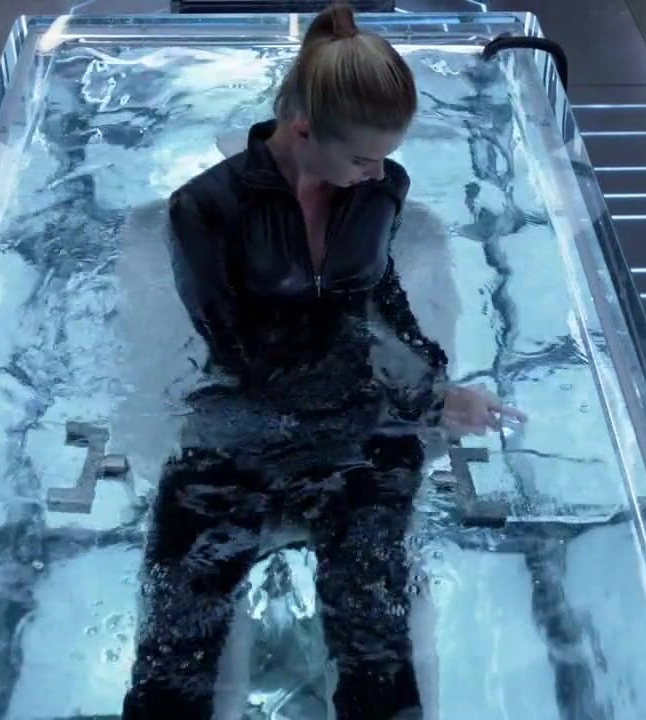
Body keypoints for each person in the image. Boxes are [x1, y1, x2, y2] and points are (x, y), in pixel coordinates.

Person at [121, 5, 524, 719]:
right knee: (178, 629)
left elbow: (381, 294)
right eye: (362, 159)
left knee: (375, 625)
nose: (378, 173)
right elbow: (240, 351)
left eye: (384, 158)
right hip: (244, 420)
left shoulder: (381, 189)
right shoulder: (204, 210)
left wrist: (432, 380)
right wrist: (410, 392)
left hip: (358, 423)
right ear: (303, 130)